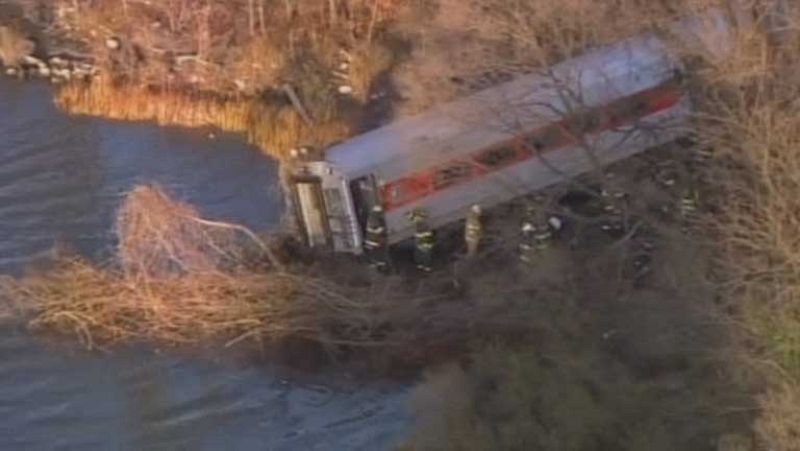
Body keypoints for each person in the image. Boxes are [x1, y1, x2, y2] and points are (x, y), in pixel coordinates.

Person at [364, 205, 389, 270]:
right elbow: (377, 230)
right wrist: (382, 229)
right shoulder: (374, 219)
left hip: (372, 241)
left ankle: (378, 268)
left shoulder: (371, 218)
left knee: (376, 256)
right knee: (379, 255)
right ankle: (381, 268)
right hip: (375, 241)